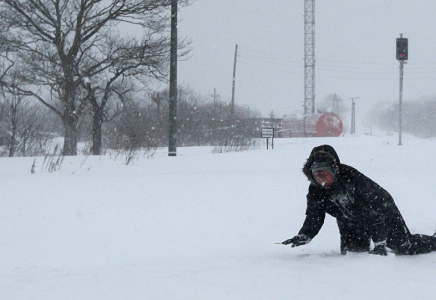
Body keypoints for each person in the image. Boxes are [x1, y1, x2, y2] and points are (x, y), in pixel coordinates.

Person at [281, 144, 436, 255]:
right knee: (354, 254)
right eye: (316, 175)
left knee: (403, 246)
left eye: (324, 174)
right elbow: (314, 215)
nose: (320, 179)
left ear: (333, 171)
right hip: (349, 219)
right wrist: (305, 235)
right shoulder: (316, 189)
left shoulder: (353, 180)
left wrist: (380, 243)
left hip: (382, 211)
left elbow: (373, 213)